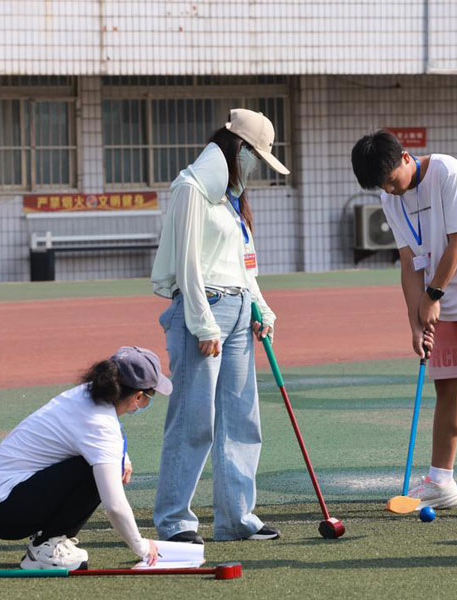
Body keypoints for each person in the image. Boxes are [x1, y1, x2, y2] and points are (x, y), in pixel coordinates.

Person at [351, 131, 457, 520]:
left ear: (405, 157)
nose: (390, 190)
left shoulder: (448, 173)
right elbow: (408, 261)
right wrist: (416, 321)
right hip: (438, 302)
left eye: (391, 180)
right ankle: (441, 482)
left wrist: (432, 295)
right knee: (446, 387)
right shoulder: (390, 198)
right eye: (382, 186)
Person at [150, 109, 288, 543]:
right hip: (203, 313)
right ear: (239, 148)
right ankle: (175, 521)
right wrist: (203, 324)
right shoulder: (192, 187)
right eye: (256, 158)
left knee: (241, 420)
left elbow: (244, 265)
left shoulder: (230, 199)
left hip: (239, 309)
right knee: (194, 422)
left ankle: (236, 518)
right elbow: (188, 263)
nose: (256, 168)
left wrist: (261, 307)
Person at [0, 347, 169, 570]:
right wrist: (142, 547)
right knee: (97, 470)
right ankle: (46, 547)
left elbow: (100, 430)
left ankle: (47, 539)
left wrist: (122, 456)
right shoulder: (100, 425)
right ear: (138, 397)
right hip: (5, 512)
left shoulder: (88, 393)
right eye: (149, 397)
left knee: (103, 463)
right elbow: (114, 505)